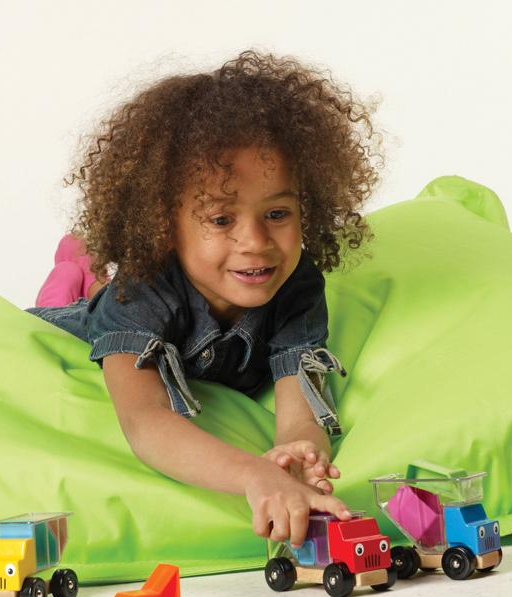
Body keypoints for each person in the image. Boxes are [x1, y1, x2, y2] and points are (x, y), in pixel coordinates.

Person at [26, 49, 383, 548]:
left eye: (277, 214)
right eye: (221, 219)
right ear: (163, 224)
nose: (255, 242)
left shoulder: (297, 282)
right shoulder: (140, 291)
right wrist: (253, 475)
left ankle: (87, 273)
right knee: (76, 301)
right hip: (96, 318)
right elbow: (145, 422)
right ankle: (76, 270)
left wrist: (298, 456)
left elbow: (300, 403)